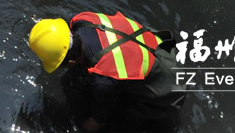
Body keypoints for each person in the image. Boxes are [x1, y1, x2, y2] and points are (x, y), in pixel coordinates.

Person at [28, 12, 184, 132]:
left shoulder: (104, 77)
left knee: (123, 121)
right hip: (162, 47)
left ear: (71, 61)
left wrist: (78, 126)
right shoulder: (83, 19)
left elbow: (96, 122)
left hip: (168, 87)